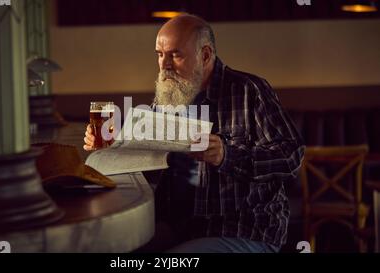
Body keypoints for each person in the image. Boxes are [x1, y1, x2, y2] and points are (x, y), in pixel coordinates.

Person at [84, 14, 305, 253]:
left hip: (244, 230)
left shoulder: (250, 90)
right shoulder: (168, 97)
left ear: (206, 55)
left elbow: (291, 156)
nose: (164, 65)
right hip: (182, 228)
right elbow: (153, 163)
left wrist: (226, 156)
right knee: (107, 249)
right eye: (160, 54)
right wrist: (118, 142)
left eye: (175, 55)